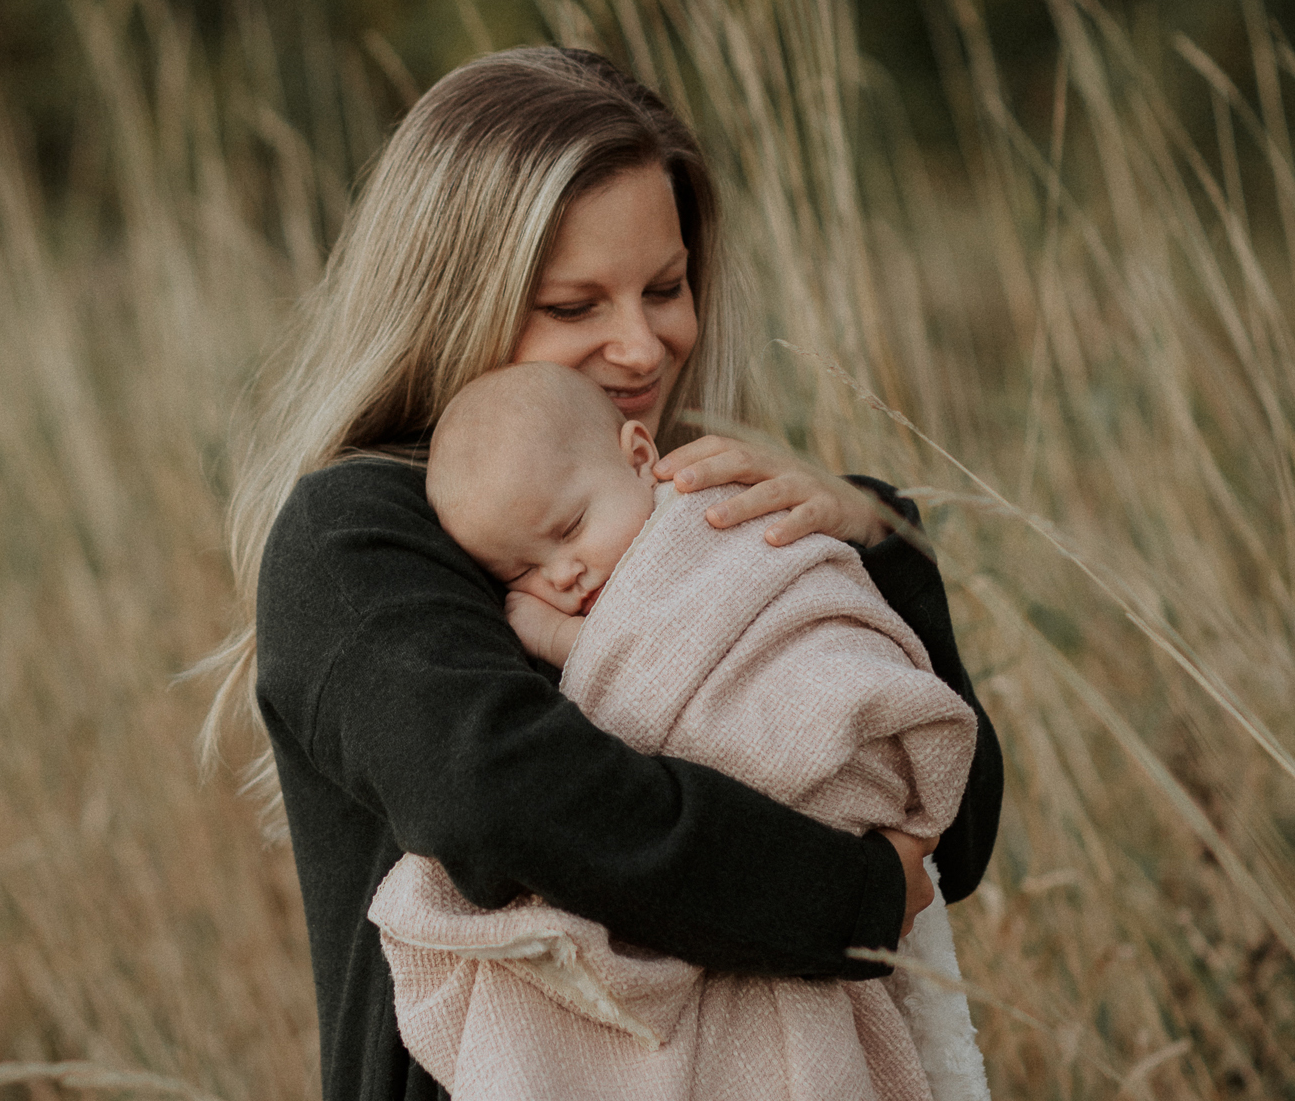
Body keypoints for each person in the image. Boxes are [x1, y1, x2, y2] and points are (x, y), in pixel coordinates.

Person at [199, 46, 1002, 1101]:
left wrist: (876, 535)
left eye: (665, 286)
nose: (642, 344)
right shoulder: (355, 536)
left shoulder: (700, 514)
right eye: (575, 306)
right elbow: (505, 798)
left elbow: (948, 817)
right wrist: (852, 901)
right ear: (454, 301)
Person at [369, 360, 990, 1101]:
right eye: (520, 570)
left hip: (833, 754)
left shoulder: (717, 526)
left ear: (638, 459)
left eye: (568, 530)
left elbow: (736, 648)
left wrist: (573, 648)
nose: (563, 574)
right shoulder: (369, 542)